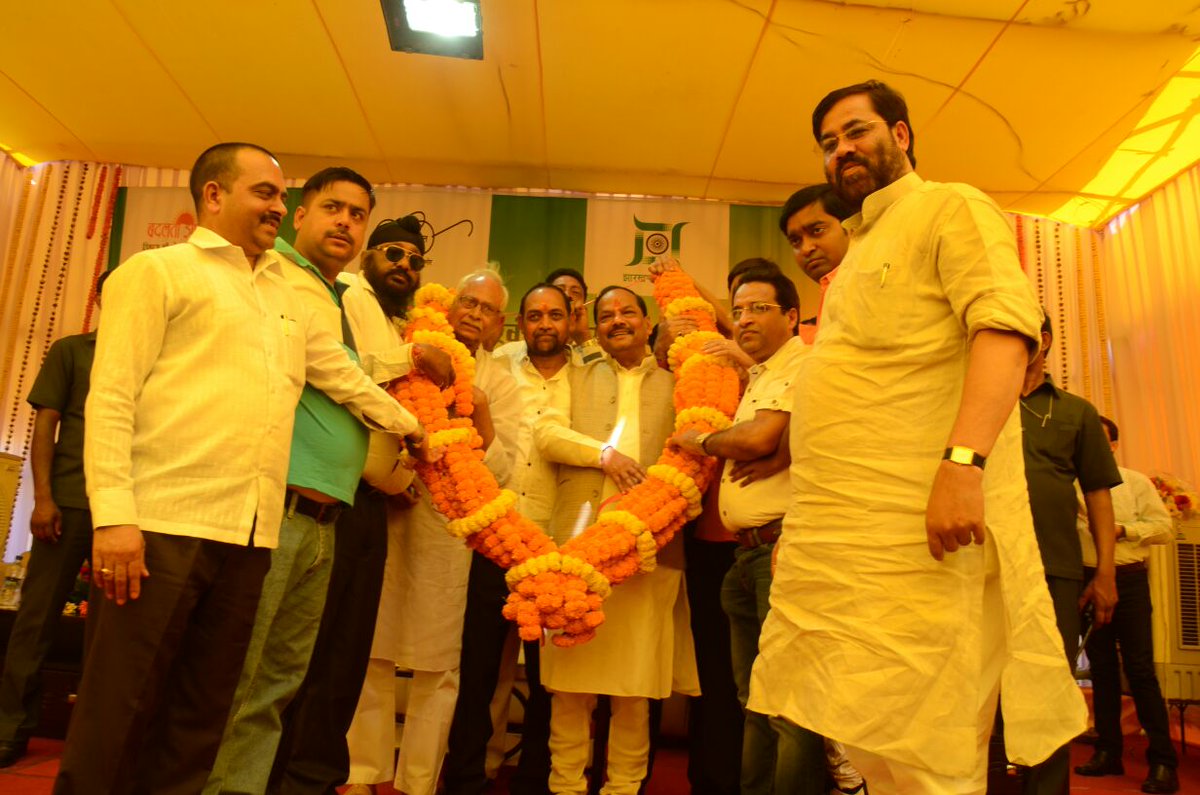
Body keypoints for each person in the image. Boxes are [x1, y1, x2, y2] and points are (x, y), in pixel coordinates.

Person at [56, 142, 428, 795]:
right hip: (162, 526)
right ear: (213, 195)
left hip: (250, 535)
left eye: (282, 196)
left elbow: (337, 372)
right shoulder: (157, 271)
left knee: (201, 718)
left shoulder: (282, 292)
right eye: (265, 193)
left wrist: (413, 425)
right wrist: (113, 518)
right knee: (121, 710)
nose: (279, 207)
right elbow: (110, 399)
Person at [747, 81, 1086, 794]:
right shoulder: (858, 250)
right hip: (847, 544)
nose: (842, 150)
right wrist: (806, 531)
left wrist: (963, 465)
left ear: (900, 135)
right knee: (863, 729)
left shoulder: (950, 206)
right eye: (829, 143)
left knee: (928, 737)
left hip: (924, 533)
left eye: (856, 131)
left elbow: (1003, 330)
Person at [203, 167, 395, 794]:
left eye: (358, 215)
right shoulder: (276, 274)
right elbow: (339, 376)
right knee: (237, 676)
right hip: (272, 509)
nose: (346, 222)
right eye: (333, 208)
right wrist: (413, 425)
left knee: (276, 686)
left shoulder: (334, 293)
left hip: (325, 518)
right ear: (299, 215)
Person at [269, 214, 452, 795]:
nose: (405, 266)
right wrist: (412, 358)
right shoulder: (345, 294)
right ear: (368, 255)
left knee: (347, 651)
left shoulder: (399, 319)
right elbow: (339, 372)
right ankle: (280, 774)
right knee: (310, 649)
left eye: (415, 260)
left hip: (371, 500)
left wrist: (397, 478)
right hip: (326, 496)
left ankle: (315, 776)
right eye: (393, 253)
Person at [345, 268, 520, 795]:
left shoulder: (501, 380)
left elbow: (505, 468)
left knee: (439, 665)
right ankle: (363, 774)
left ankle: (419, 782)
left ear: (499, 325)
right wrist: (392, 478)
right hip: (392, 507)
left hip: (450, 527)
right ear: (447, 304)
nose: (474, 313)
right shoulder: (410, 349)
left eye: (486, 308)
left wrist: (479, 408)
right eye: (468, 301)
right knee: (372, 651)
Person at [535, 285, 699, 795]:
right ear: (596, 328)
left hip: (651, 552)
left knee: (635, 686)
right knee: (568, 687)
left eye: (628, 312)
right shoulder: (574, 375)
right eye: (606, 315)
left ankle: (624, 787)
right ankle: (565, 786)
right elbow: (547, 434)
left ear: (648, 324)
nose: (617, 320)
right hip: (576, 550)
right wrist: (605, 456)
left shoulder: (678, 384)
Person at [672, 265, 830, 795]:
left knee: (787, 701)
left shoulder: (800, 362)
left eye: (759, 308)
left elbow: (758, 439)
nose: (744, 320)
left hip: (781, 553)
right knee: (754, 699)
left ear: (792, 316)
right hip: (746, 555)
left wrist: (700, 441)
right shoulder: (760, 374)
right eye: (738, 311)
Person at [442, 282, 575, 795]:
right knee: (477, 668)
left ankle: (535, 779)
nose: (545, 324)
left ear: (571, 321)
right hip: (494, 538)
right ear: (517, 324)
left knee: (548, 676)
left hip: (555, 544)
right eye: (534, 315)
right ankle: (465, 777)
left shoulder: (589, 378)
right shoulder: (496, 368)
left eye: (555, 315)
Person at [0, 270, 110, 769]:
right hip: (66, 503)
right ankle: (10, 730)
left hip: (125, 513)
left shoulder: (154, 358)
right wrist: (42, 498)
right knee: (35, 621)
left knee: (110, 634)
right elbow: (45, 426)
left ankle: (92, 743)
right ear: (101, 299)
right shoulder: (72, 351)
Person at [1016, 312, 1120, 795]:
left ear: (1043, 341)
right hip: (979, 566)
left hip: (1054, 570)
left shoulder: (1076, 412)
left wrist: (1106, 573)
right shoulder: (973, 403)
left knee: (1049, 688)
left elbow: (1098, 493)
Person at [1074, 416, 1178, 793]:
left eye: (1100, 441)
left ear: (1114, 446)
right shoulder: (1068, 485)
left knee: (1139, 669)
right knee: (1100, 669)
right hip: (1085, 580)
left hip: (1129, 579)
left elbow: (1164, 528)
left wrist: (1123, 530)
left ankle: (1163, 762)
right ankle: (1108, 751)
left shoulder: (1134, 482)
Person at [778, 184, 852, 343]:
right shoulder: (831, 292)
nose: (806, 249)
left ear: (850, 226)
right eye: (795, 241)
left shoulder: (875, 283)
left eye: (817, 230)